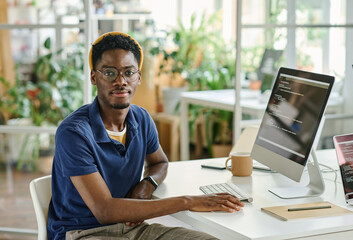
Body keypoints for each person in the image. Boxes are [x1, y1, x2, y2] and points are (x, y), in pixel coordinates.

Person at [47, 31, 244, 240]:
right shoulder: (73, 132)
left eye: (129, 72)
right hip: (83, 233)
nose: (121, 81)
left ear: (138, 77)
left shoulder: (141, 118)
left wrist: (146, 185)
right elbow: (104, 210)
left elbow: (160, 162)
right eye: (110, 73)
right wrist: (188, 202)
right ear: (94, 77)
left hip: (133, 229)